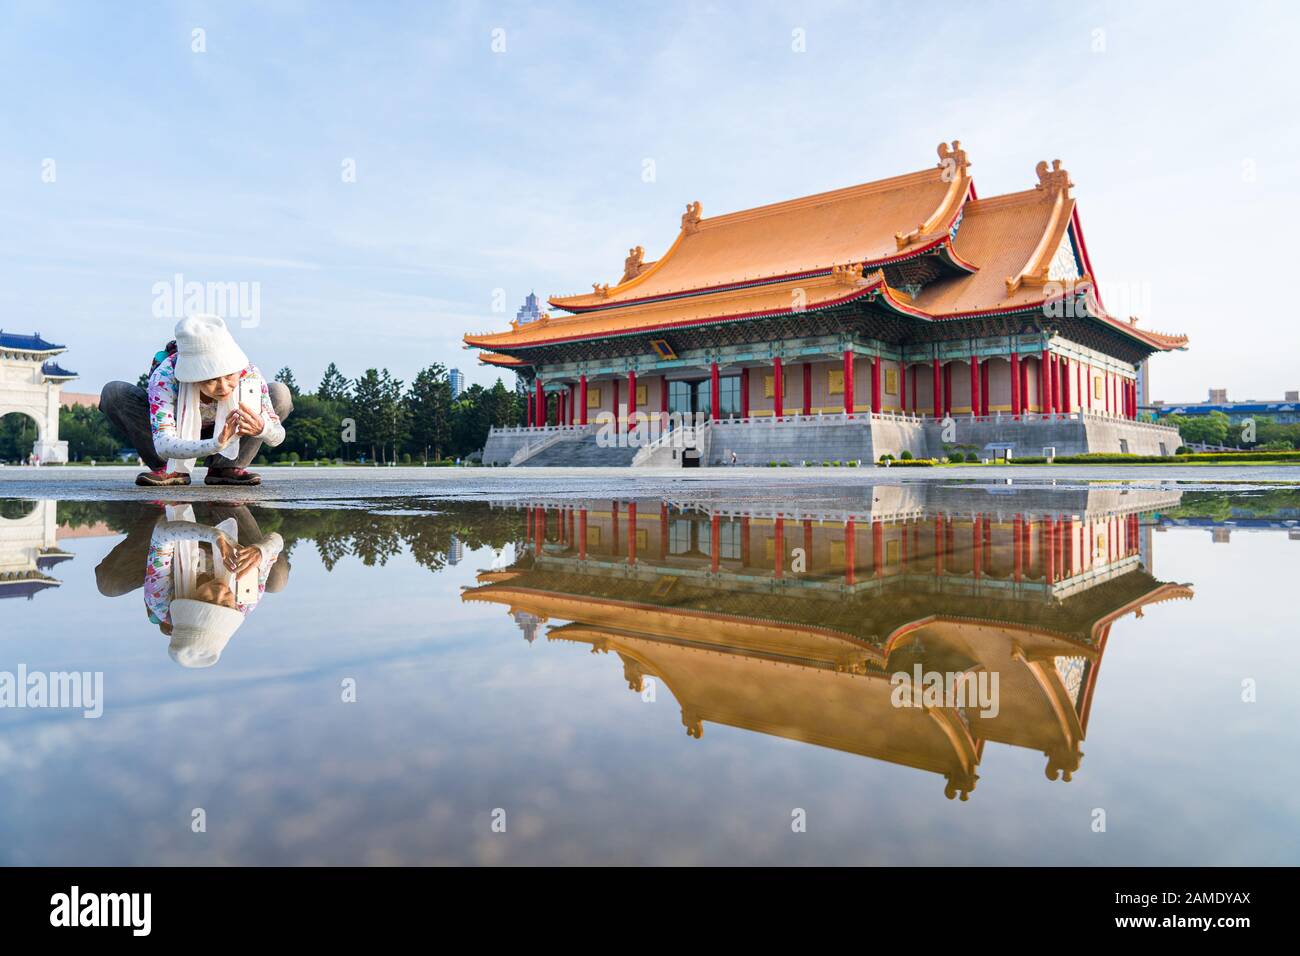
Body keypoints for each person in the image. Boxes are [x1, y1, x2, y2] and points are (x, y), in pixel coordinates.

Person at [99, 314, 292, 487]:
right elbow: (163, 443)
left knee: (280, 394)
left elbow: (277, 435)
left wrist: (262, 428)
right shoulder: (166, 375)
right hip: (175, 426)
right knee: (114, 392)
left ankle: (226, 467)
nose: (223, 387)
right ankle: (169, 468)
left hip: (227, 427)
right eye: (211, 379)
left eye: (229, 376)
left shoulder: (248, 373)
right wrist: (216, 444)